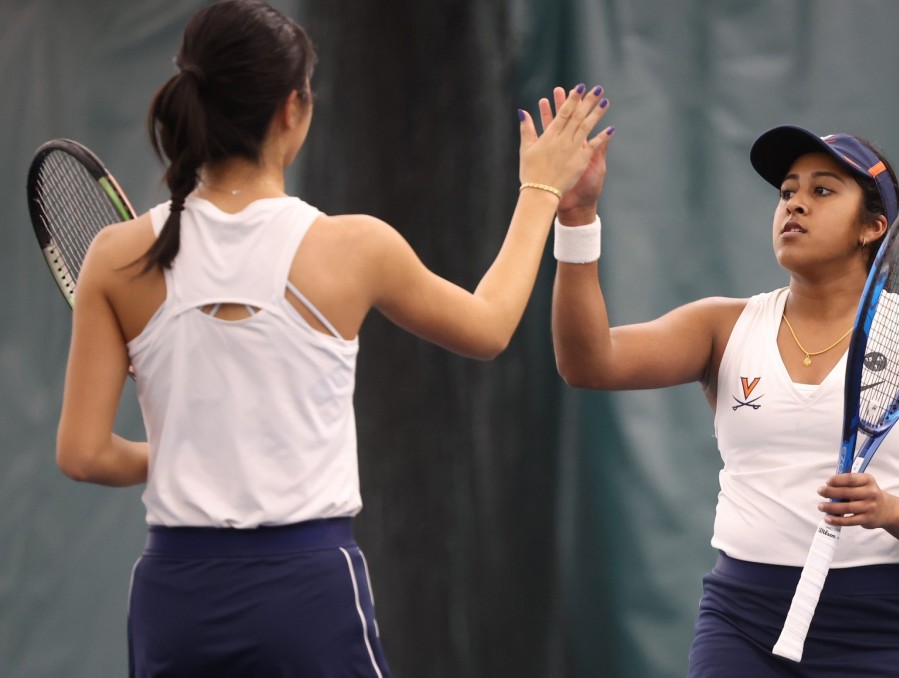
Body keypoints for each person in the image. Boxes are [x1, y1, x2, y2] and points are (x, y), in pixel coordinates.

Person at [54, 1, 612, 675]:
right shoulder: (353, 248)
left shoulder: (113, 258)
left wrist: (185, 446)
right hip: (305, 595)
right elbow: (489, 326)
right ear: (293, 109)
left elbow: (83, 456)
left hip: (176, 600)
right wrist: (541, 188)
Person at [550, 110, 899, 676]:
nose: (795, 203)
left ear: (873, 227)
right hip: (742, 621)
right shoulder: (722, 326)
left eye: (823, 190)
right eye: (787, 191)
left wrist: (889, 510)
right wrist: (578, 217)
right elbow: (587, 362)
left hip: (885, 628)